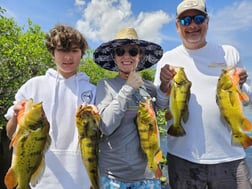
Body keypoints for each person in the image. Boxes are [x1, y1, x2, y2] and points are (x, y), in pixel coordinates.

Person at [154, 0, 252, 189]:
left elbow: (248, 100)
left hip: (230, 156)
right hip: (183, 158)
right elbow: (160, 104)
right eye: (185, 21)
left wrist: (242, 85)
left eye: (198, 18)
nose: (192, 25)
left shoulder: (228, 53)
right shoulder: (168, 58)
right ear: (177, 26)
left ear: (207, 21)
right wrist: (165, 84)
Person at [5, 25, 96, 189]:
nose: (68, 57)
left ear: (82, 53)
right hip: (39, 178)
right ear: (52, 53)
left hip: (80, 178)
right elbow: (10, 133)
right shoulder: (33, 86)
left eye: (74, 50)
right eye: (62, 50)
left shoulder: (93, 91)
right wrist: (16, 115)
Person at [93, 27, 167, 189]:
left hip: (148, 175)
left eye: (133, 51)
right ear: (114, 57)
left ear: (140, 56)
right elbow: (105, 126)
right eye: (120, 51)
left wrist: (166, 83)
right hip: (113, 177)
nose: (126, 56)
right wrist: (128, 88)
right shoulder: (105, 85)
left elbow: (163, 106)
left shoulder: (150, 88)